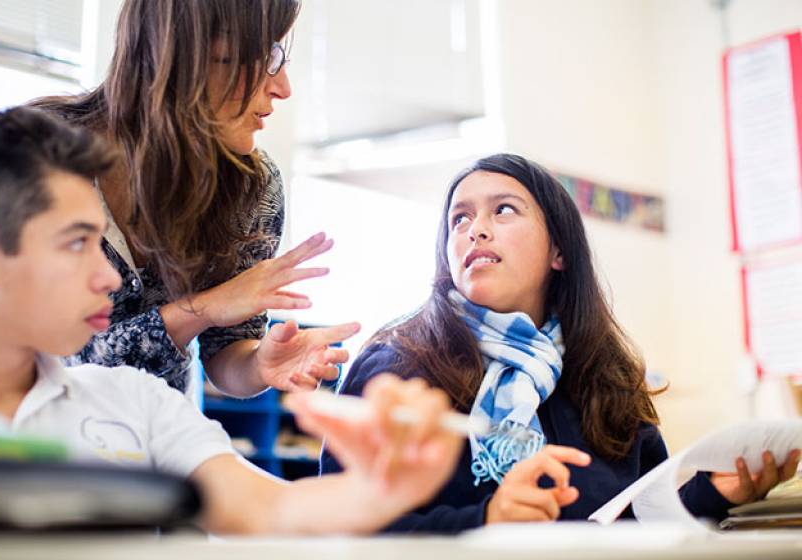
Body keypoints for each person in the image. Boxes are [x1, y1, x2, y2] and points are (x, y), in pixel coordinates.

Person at [0, 107, 462, 535]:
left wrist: (383, 483)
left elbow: (272, 510)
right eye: (77, 243)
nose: (109, 276)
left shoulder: (137, 402)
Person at [321, 153, 801, 533]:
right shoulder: (397, 366)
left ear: (558, 251)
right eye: (459, 219)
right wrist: (487, 521)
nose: (476, 230)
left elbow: (631, 521)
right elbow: (342, 527)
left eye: (503, 210)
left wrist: (714, 494)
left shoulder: (606, 374)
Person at [32, 0, 354, 395]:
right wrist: (201, 309)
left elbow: (228, 352)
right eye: (266, 56)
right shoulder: (34, 149)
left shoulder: (253, 187)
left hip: (151, 429)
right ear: (186, 50)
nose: (283, 88)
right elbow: (42, 362)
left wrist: (260, 363)